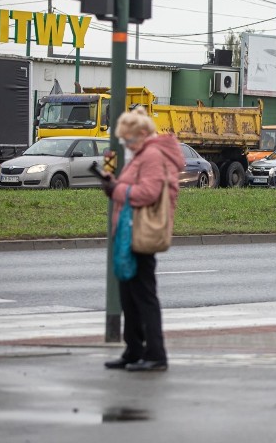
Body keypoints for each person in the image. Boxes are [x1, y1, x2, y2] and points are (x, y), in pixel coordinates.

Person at [100, 107, 185, 372]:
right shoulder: (143, 154)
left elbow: (147, 192)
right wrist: (113, 185)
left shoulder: (150, 155)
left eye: (128, 139)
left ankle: (155, 353)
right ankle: (134, 350)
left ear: (142, 134)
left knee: (143, 296)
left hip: (141, 232)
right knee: (129, 295)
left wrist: (116, 189)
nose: (126, 144)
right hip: (130, 231)